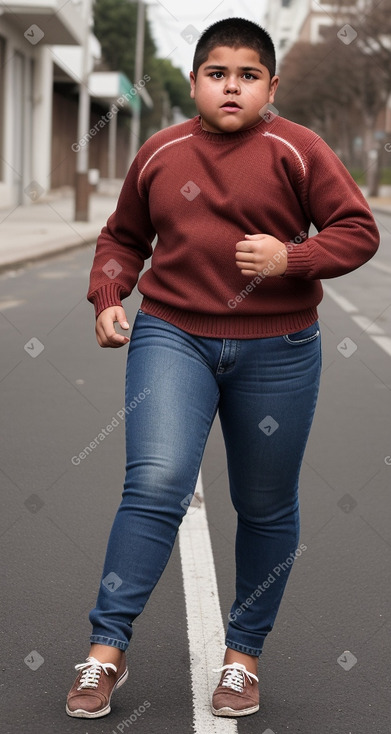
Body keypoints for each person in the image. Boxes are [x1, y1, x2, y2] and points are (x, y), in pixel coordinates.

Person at [66, 17, 379, 720]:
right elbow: (122, 236)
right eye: (216, 73)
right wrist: (109, 295)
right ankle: (105, 648)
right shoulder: (160, 152)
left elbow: (357, 230)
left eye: (246, 75)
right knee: (154, 483)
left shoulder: (298, 150)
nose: (230, 86)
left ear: (270, 85)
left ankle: (241, 658)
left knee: (264, 503)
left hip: (280, 347)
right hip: (172, 335)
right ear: (193, 82)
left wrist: (289, 259)